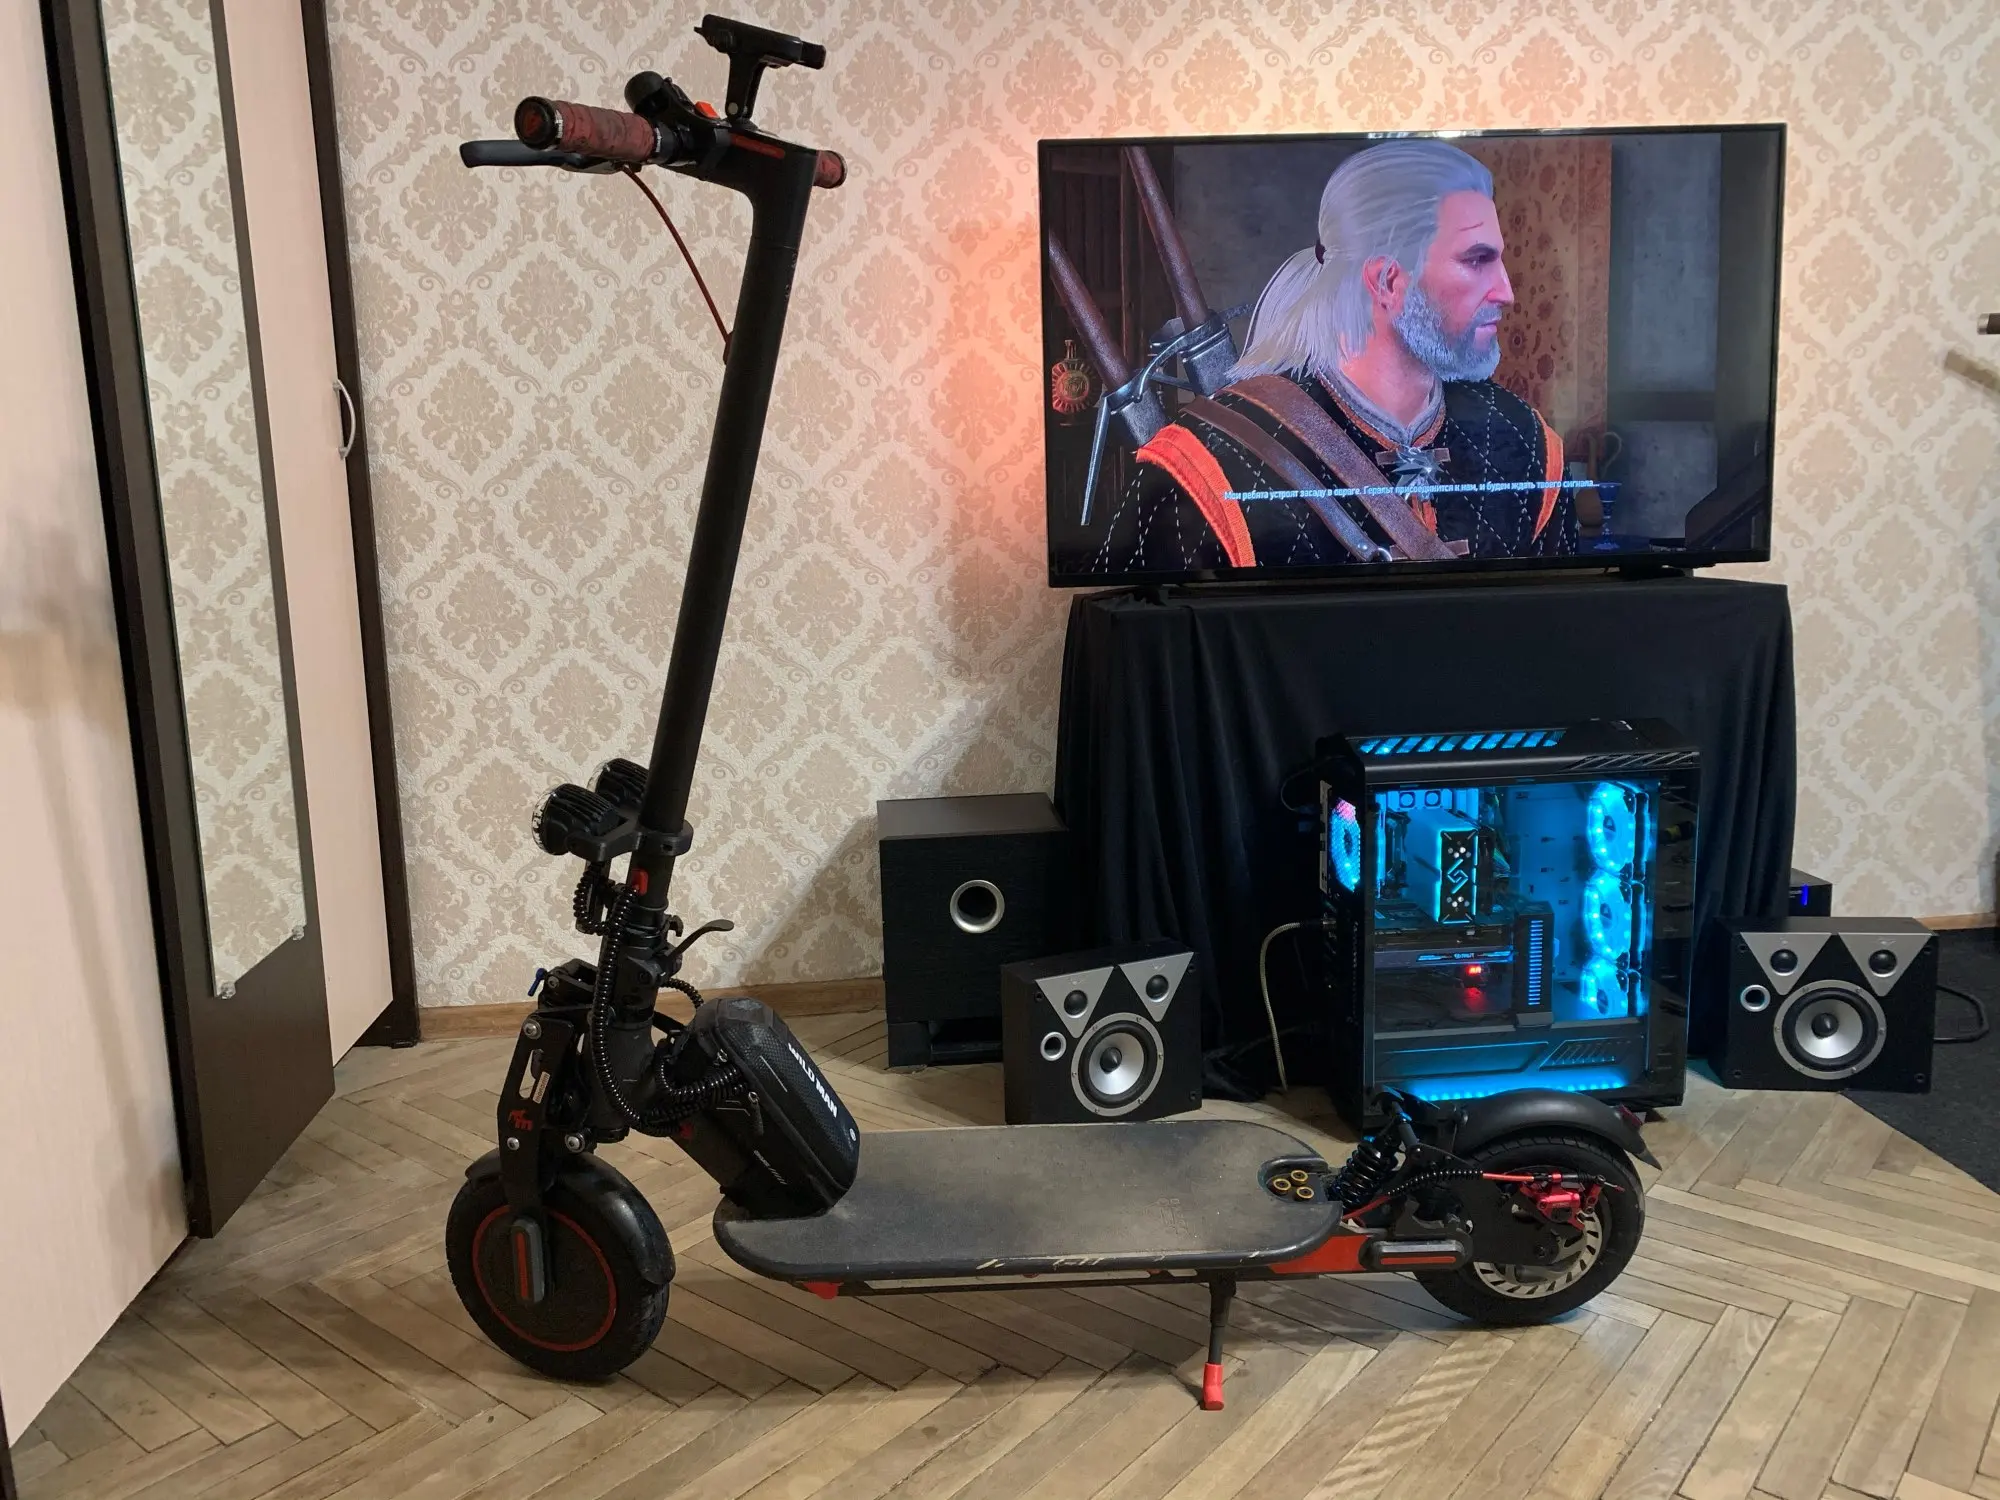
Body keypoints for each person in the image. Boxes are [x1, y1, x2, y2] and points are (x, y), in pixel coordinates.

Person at [1088, 139, 1574, 573]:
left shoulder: (1526, 442)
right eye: (1477, 260)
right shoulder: (1202, 469)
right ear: (1387, 281)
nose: (1506, 291)